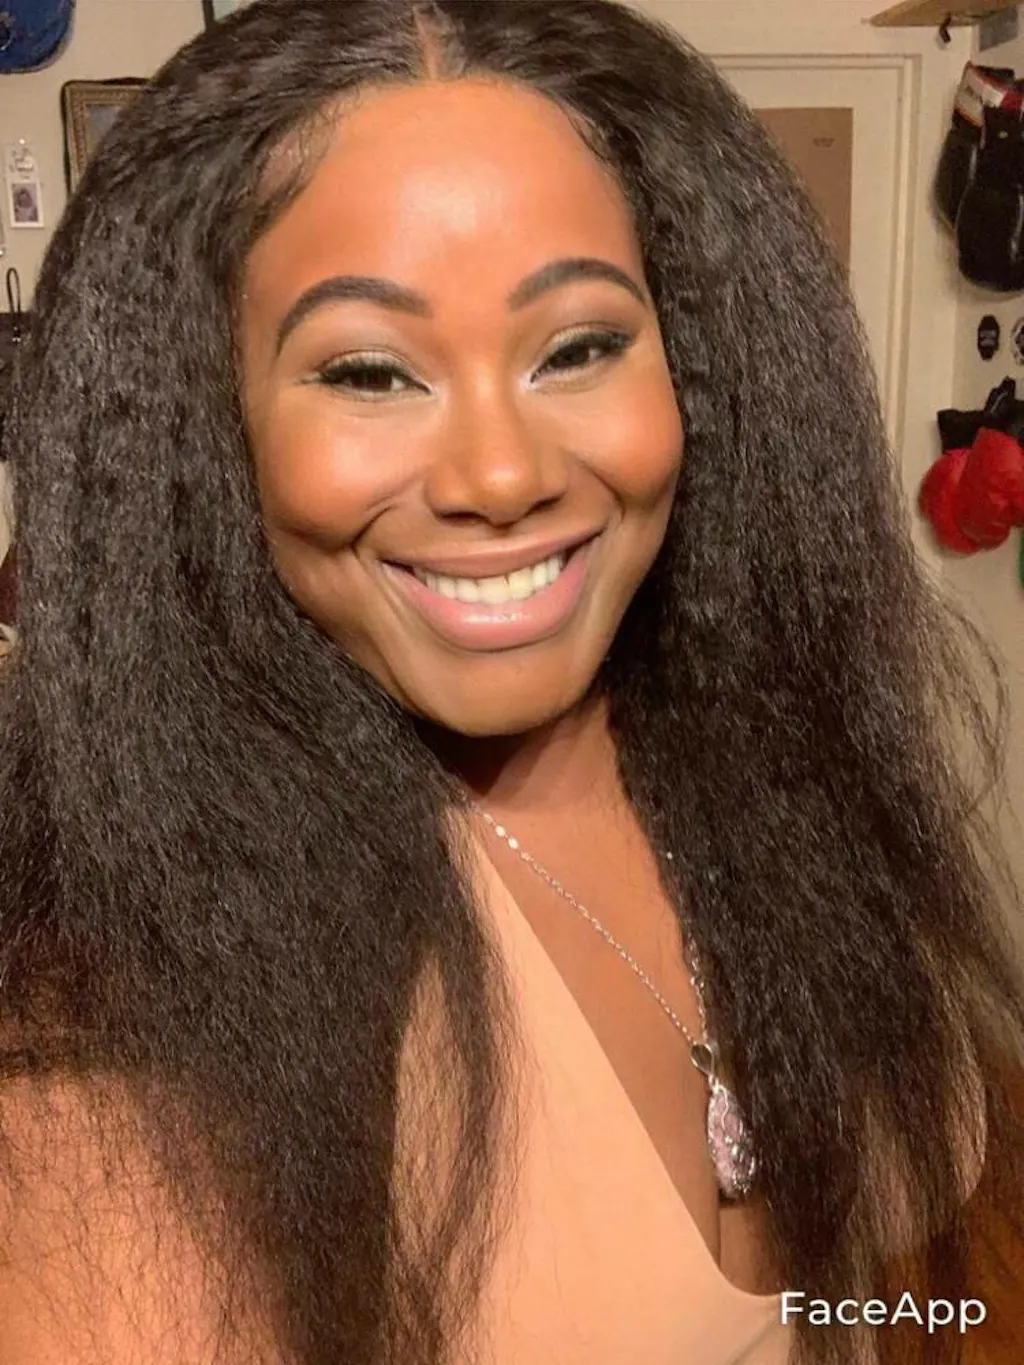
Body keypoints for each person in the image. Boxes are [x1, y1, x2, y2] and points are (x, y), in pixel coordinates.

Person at [0, 1, 1021, 1362]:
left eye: (580, 347)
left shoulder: (767, 750)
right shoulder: (105, 1040)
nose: (501, 474)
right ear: (205, 426)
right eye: (371, 372)